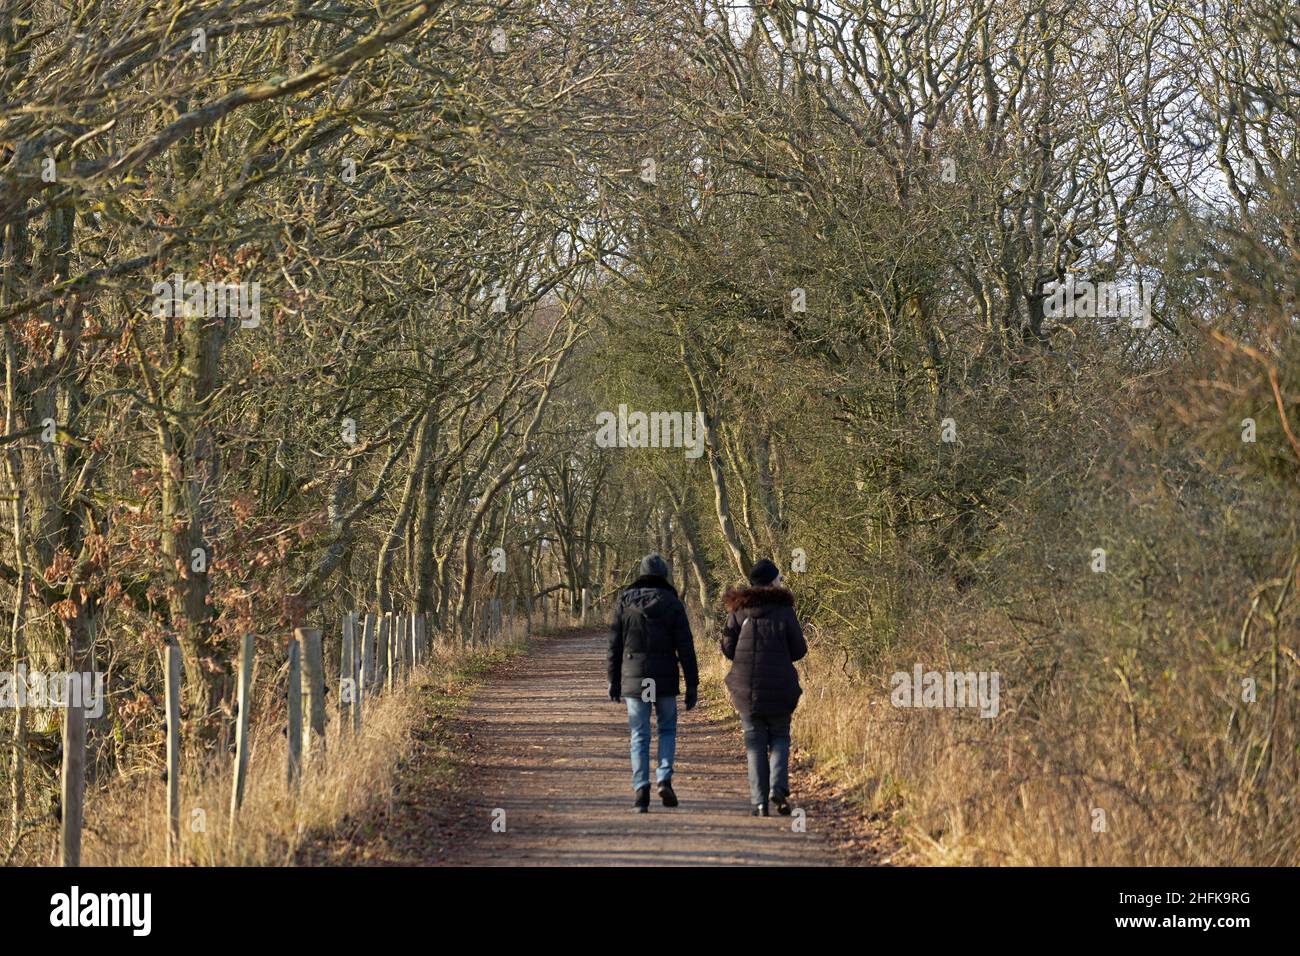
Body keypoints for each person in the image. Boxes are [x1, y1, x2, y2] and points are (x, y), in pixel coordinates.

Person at [607, 553, 699, 813]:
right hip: (664, 677)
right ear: (664, 575)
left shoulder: (625, 601)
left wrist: (613, 680)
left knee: (639, 734)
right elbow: (685, 646)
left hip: (636, 677)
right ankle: (664, 778)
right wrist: (692, 684)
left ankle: (641, 789)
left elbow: (614, 644)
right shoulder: (672, 602)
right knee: (667, 729)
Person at [720, 558, 807, 816]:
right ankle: (778, 788)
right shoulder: (784, 610)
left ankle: (759, 802)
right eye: (779, 578)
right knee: (780, 736)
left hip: (747, 688)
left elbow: (727, 647)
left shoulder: (738, 610)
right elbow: (799, 650)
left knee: (755, 742)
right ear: (771, 581)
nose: (781, 582)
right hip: (780, 685)